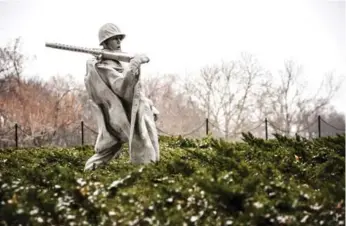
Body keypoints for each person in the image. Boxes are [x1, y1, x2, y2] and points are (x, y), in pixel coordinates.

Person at [83, 23, 160, 171]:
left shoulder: (118, 60)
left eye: (119, 38)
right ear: (105, 42)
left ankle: (152, 171)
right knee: (143, 142)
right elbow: (121, 87)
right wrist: (134, 66)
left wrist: (149, 103)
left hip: (132, 108)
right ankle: (147, 172)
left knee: (140, 140)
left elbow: (136, 89)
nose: (118, 42)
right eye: (114, 39)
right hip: (121, 115)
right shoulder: (103, 66)